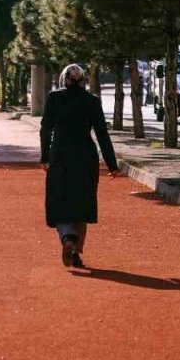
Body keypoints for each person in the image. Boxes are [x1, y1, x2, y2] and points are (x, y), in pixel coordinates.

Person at [40, 63, 120, 268]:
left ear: (63, 79)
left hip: (60, 156)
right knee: (82, 203)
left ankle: (67, 237)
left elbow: (45, 129)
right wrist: (112, 164)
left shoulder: (54, 98)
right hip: (86, 157)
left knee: (59, 200)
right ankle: (76, 252)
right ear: (83, 80)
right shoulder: (91, 101)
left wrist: (44, 156)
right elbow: (102, 133)